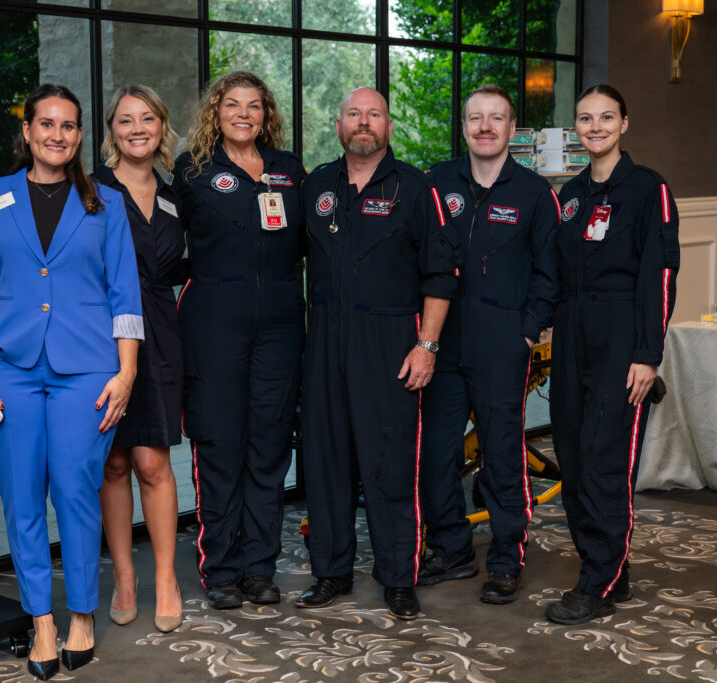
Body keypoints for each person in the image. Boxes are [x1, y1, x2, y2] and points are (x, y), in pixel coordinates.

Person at [0, 84, 143, 680]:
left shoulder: (105, 204)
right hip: (7, 371)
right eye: (46, 124)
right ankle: (41, 622)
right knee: (22, 499)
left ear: (80, 136)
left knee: (76, 493)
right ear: (28, 132)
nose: (57, 135)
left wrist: (128, 370)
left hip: (85, 372)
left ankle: (82, 615)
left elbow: (124, 294)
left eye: (68, 126)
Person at [298, 86, 458, 621]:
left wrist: (427, 344)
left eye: (374, 114)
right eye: (353, 114)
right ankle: (331, 572)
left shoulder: (417, 188)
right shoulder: (316, 185)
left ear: (388, 126)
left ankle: (398, 576)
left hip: (391, 340)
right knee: (325, 461)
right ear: (338, 125)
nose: (363, 123)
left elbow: (440, 275)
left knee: (390, 465)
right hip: (322, 338)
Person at [172, 71, 306, 610]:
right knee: (220, 444)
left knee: (269, 447)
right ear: (216, 113)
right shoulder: (192, 171)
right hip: (213, 322)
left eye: (254, 105)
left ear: (266, 113)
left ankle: (258, 566)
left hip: (280, 324)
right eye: (232, 105)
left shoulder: (290, 171)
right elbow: (155, 234)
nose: (244, 114)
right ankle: (222, 568)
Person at [420, 85, 560, 602]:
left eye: (495, 118)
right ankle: (452, 549)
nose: (484, 126)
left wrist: (527, 330)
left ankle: (506, 556)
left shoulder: (534, 193)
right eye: (475, 118)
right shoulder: (436, 183)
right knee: (436, 454)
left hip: (502, 345)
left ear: (511, 129)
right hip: (441, 343)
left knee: (502, 455)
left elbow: (550, 272)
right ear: (463, 126)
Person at [547, 84, 679, 624]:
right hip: (571, 338)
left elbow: (661, 274)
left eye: (606, 117)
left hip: (623, 339)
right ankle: (609, 567)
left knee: (606, 462)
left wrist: (648, 354)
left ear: (625, 123)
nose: (595, 126)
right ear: (576, 128)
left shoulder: (649, 189)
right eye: (585, 118)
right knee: (575, 460)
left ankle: (597, 582)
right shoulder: (570, 195)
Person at [91, 84, 185, 633]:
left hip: (164, 334)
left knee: (153, 462)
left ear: (161, 126)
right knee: (114, 462)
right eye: (125, 121)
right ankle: (125, 578)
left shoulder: (175, 195)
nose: (137, 128)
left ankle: (167, 580)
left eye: (147, 118)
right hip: (101, 337)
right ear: (112, 133)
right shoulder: (91, 192)